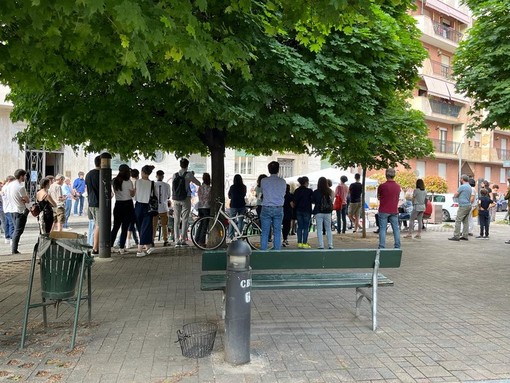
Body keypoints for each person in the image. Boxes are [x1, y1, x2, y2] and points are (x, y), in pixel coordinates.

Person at [172, 158, 201, 247]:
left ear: (180, 165)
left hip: (176, 199)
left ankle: (176, 240)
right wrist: (191, 177)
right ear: (187, 165)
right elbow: (199, 183)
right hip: (185, 198)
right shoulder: (189, 175)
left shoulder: (175, 175)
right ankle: (183, 239)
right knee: (184, 219)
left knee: (176, 220)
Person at [260, 161, 286, 250]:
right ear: (278, 170)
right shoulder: (283, 181)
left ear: (268, 170)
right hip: (278, 207)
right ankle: (277, 252)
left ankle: (263, 253)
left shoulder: (263, 181)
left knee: (265, 232)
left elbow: (262, 192)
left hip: (266, 207)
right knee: (277, 231)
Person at [111, 164, 135, 253]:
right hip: (128, 204)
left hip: (118, 204)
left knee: (116, 226)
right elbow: (132, 195)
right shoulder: (129, 182)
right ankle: (121, 248)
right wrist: (134, 191)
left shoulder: (114, 181)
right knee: (125, 227)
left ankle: (110, 246)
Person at [4, 169, 29, 254]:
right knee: (18, 231)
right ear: (21, 176)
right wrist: (25, 199)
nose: (25, 177)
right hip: (20, 210)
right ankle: (14, 250)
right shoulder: (20, 187)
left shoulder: (9, 185)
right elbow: (27, 200)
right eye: (25, 176)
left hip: (11, 210)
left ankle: (14, 248)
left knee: (16, 229)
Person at [134, 165, 157, 257]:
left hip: (138, 206)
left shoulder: (137, 182)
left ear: (142, 172)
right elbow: (154, 195)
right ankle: (140, 249)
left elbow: (134, 196)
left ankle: (147, 246)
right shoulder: (152, 183)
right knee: (146, 227)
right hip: (148, 207)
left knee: (140, 227)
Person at [377, 168, 401, 249]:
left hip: (383, 210)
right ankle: (397, 246)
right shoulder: (398, 187)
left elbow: (378, 197)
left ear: (386, 175)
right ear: (394, 175)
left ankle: (382, 246)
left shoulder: (382, 186)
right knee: (396, 229)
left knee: (383, 229)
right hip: (394, 210)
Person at [448, 174, 474, 241]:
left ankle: (456, 236)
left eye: (460, 179)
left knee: (458, 220)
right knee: (465, 221)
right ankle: (465, 236)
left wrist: (454, 196)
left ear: (462, 179)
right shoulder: (469, 187)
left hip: (463, 205)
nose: (460, 180)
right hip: (468, 205)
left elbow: (456, 194)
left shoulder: (462, 187)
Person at [312, 177, 334, 249]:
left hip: (318, 212)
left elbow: (313, 201)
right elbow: (332, 201)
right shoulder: (330, 191)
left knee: (319, 229)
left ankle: (321, 245)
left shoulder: (316, 192)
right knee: (328, 229)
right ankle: (330, 244)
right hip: (328, 212)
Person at [85, 156, 101, 255]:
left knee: (94, 224)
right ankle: (95, 248)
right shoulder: (101, 174)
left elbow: (87, 188)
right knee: (99, 225)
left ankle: (93, 245)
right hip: (98, 203)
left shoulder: (88, 174)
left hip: (91, 202)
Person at [292, 176, 313, 249]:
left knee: (300, 227)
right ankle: (304, 243)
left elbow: (294, 201)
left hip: (298, 210)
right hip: (307, 211)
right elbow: (312, 200)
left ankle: (299, 243)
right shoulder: (309, 191)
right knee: (306, 227)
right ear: (306, 182)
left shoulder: (297, 190)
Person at [152, 170, 171, 246]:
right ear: (163, 176)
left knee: (153, 225)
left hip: (155, 208)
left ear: (156, 176)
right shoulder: (167, 185)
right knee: (164, 225)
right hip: (164, 207)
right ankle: (165, 240)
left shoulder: (153, 184)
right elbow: (169, 196)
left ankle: (152, 240)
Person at [194, 173, 212, 247]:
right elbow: (210, 198)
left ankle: (197, 239)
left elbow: (199, 196)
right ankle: (201, 241)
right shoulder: (210, 188)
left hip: (200, 207)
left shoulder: (200, 187)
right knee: (205, 225)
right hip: (207, 207)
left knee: (201, 224)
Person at [228, 174, 247, 239]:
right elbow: (244, 195)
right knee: (240, 221)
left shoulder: (232, 187)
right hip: (241, 205)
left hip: (233, 205)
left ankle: (231, 236)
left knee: (232, 220)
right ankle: (239, 235)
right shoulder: (244, 187)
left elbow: (229, 196)